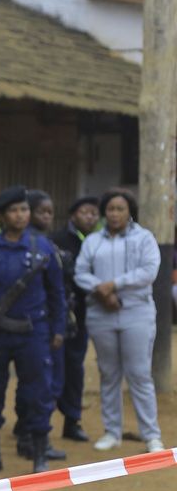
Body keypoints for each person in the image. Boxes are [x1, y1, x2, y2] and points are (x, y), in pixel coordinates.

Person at [0, 186, 65, 474]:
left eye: (24, 210)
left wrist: (58, 328)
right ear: (2, 216)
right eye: (14, 211)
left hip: (34, 333)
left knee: (38, 392)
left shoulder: (42, 247)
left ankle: (39, 453)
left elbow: (57, 292)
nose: (20, 216)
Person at [75, 189, 164, 453]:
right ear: (104, 212)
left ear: (130, 211)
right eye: (110, 209)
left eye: (120, 209)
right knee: (109, 373)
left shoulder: (144, 238)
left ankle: (151, 435)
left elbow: (149, 271)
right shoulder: (92, 241)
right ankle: (112, 432)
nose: (115, 214)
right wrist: (101, 291)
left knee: (139, 373)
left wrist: (114, 285)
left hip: (136, 311)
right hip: (101, 313)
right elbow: (80, 272)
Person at [10, 190, 66, 463]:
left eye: (50, 212)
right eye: (42, 211)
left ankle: (31, 437)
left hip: (44, 324)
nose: (47, 216)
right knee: (38, 385)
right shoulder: (32, 243)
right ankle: (29, 437)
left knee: (38, 384)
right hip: (30, 325)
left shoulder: (45, 242)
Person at [51, 195, 99, 443]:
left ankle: (72, 420)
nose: (90, 217)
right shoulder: (57, 240)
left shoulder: (98, 242)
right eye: (85, 212)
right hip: (55, 316)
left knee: (75, 368)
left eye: (94, 213)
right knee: (49, 369)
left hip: (81, 316)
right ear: (73, 215)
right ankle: (33, 425)